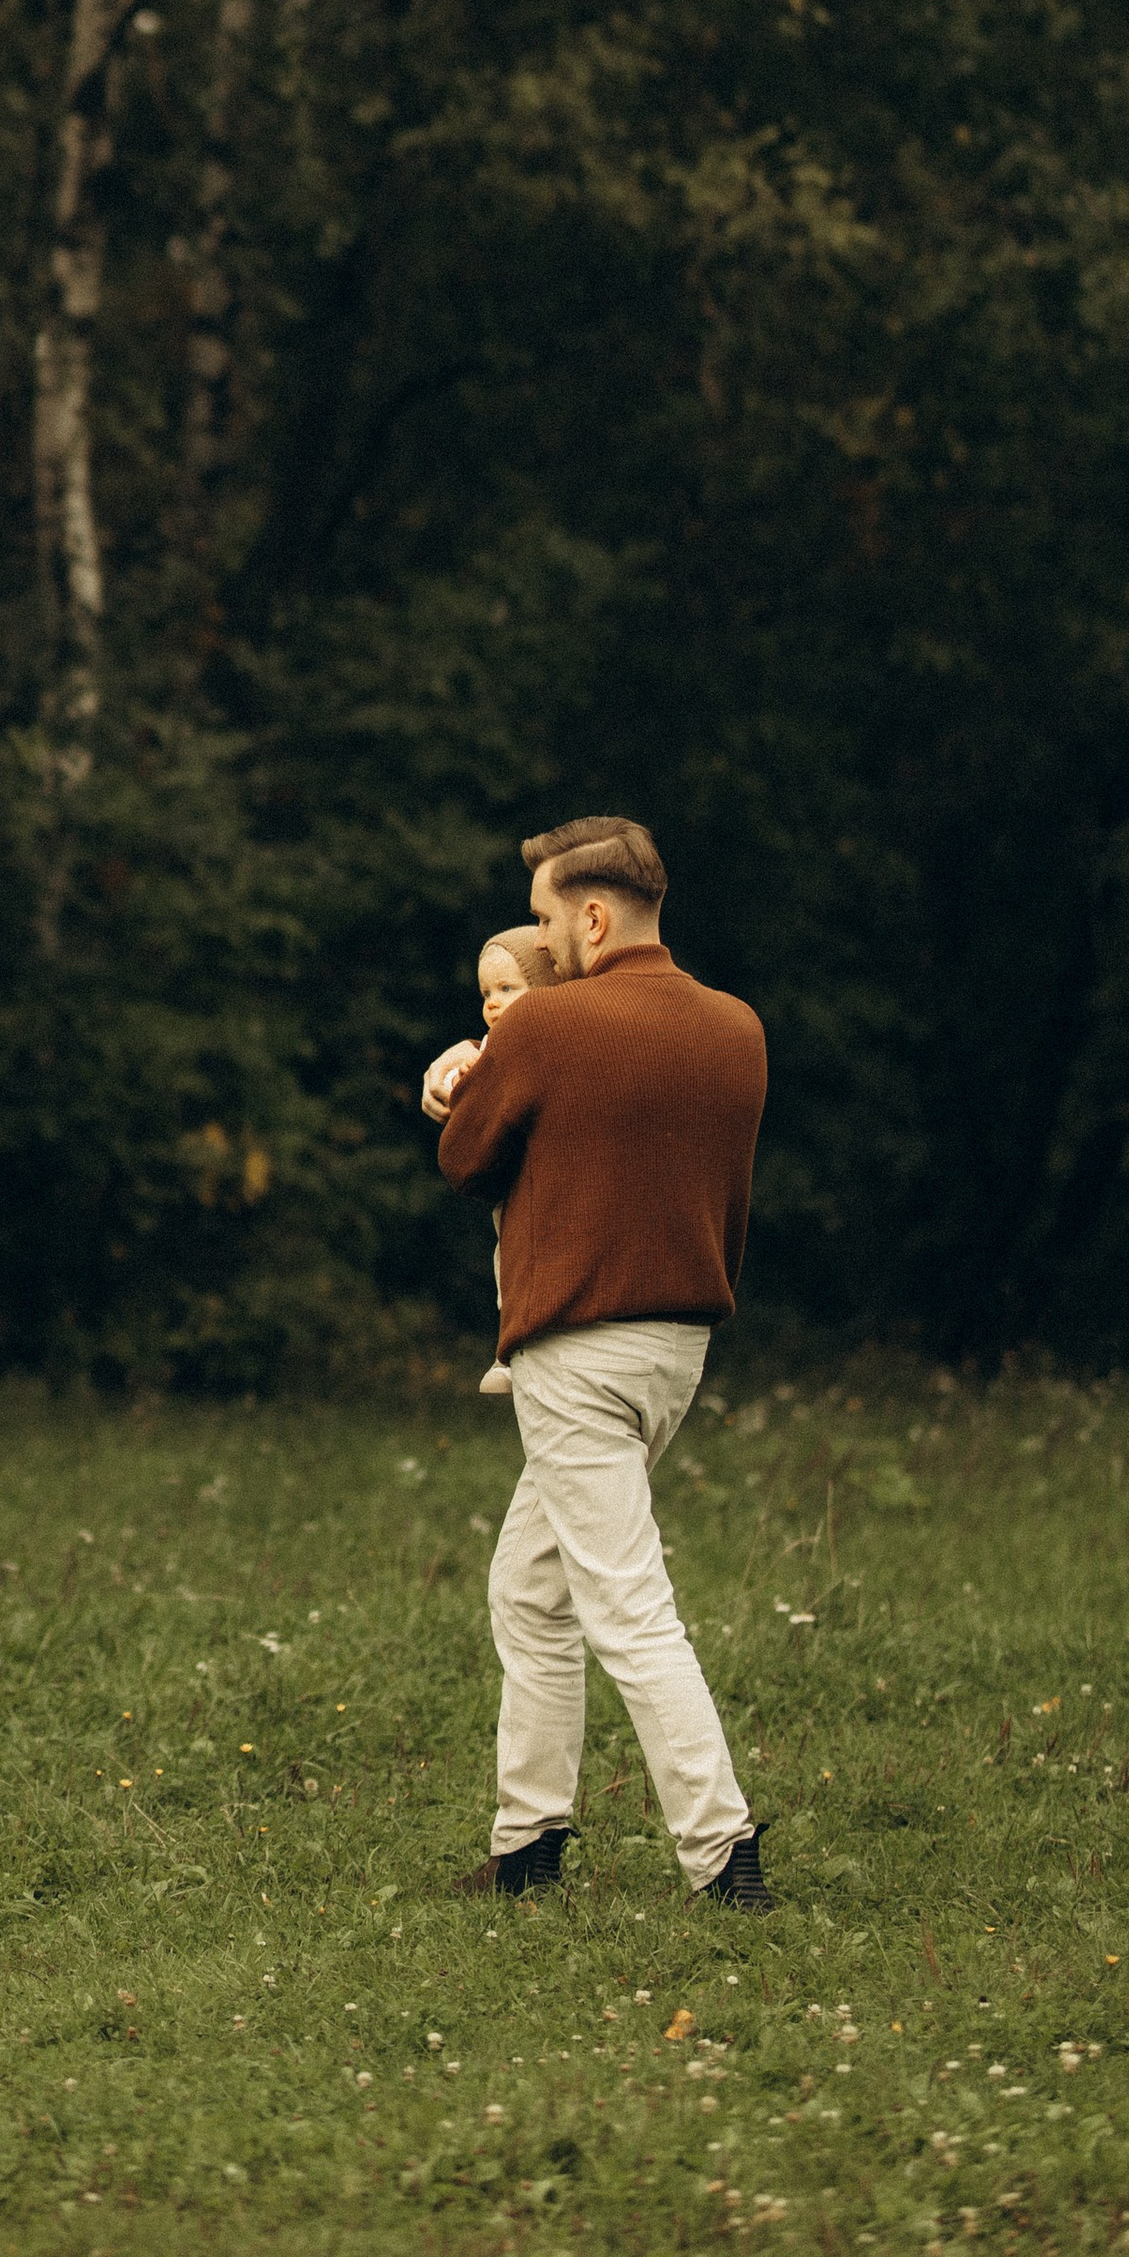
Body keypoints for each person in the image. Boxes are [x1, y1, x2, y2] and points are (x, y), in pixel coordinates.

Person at [423, 815, 771, 1908]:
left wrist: (452, 1083)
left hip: (576, 1343)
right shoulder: (736, 1027)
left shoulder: (553, 1026)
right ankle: (528, 1845)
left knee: (624, 1606)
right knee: (529, 1587)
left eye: (540, 920)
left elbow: (468, 1157)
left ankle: (723, 1858)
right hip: (678, 1346)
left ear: (589, 913)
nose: (538, 943)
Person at [461, 925, 556, 1399]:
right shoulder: (490, 1047)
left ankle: (517, 1351)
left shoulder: (544, 1046)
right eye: (485, 993)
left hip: (539, 1188)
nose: (492, 1003)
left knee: (526, 1262)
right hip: (510, 1187)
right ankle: (508, 1350)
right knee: (507, 1262)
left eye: (507, 989)